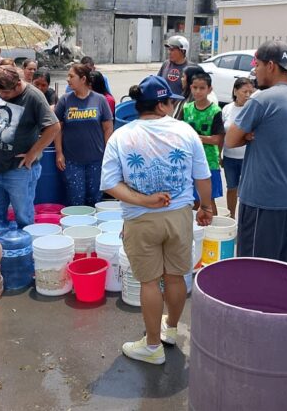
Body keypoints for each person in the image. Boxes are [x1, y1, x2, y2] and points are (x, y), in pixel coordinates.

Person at [100, 75, 213, 365]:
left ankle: (152, 347)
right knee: (176, 276)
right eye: (170, 102)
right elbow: (203, 175)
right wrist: (206, 208)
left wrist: (143, 200)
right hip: (178, 216)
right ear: (162, 105)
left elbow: (110, 184)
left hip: (140, 220)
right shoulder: (185, 131)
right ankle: (171, 330)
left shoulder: (121, 136)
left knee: (150, 282)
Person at [225, 40, 287, 262]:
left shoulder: (263, 99)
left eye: (258, 65)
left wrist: (248, 134)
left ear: (271, 66)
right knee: (278, 265)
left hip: (261, 199)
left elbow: (231, 140)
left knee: (254, 267)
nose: (256, 71)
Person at [0, 67, 60, 228]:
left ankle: (25, 250)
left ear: (18, 84)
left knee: (23, 216)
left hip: (20, 169)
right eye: (0, 93)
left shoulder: (33, 96)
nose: (2, 96)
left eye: (6, 94)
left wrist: (32, 154)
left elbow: (54, 127)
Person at [54, 64, 114, 207]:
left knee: (95, 200)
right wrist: (59, 153)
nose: (68, 79)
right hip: (72, 161)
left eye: (71, 76)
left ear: (83, 79)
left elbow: (108, 128)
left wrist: (108, 153)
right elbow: (56, 129)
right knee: (76, 201)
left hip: (96, 160)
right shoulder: (65, 100)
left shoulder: (100, 100)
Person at [182, 72, 224, 215]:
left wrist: (195, 137)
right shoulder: (186, 108)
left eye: (202, 88)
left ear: (209, 89)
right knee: (193, 200)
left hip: (209, 161)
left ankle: (214, 230)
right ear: (190, 88)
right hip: (189, 160)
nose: (198, 91)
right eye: (195, 87)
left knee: (208, 200)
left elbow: (217, 139)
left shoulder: (215, 111)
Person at [221, 77, 254, 219]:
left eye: (250, 92)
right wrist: (219, 154)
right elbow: (221, 133)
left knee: (247, 191)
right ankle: (232, 217)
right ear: (235, 91)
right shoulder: (227, 109)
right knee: (232, 188)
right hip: (229, 157)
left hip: (247, 157)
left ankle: (245, 219)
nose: (247, 95)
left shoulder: (252, 109)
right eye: (244, 91)